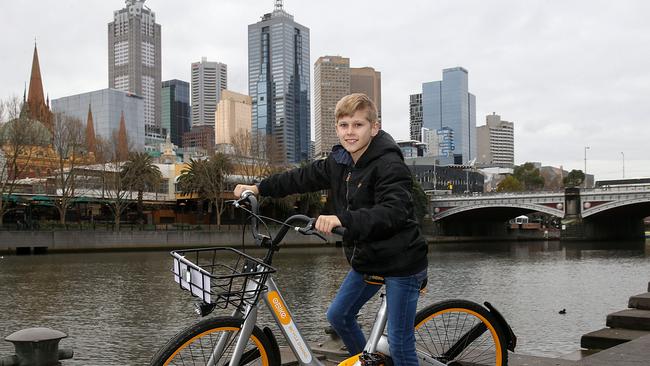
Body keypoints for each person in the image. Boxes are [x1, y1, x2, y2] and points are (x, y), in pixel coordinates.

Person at [234, 93, 428, 365]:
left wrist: (342, 219)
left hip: (402, 260)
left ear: (374, 127)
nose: (350, 132)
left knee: (400, 342)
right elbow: (300, 178)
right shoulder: (339, 161)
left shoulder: (389, 164)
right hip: (368, 258)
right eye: (344, 125)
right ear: (336, 128)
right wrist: (257, 188)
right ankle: (366, 361)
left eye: (358, 125)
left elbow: (393, 212)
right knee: (338, 316)